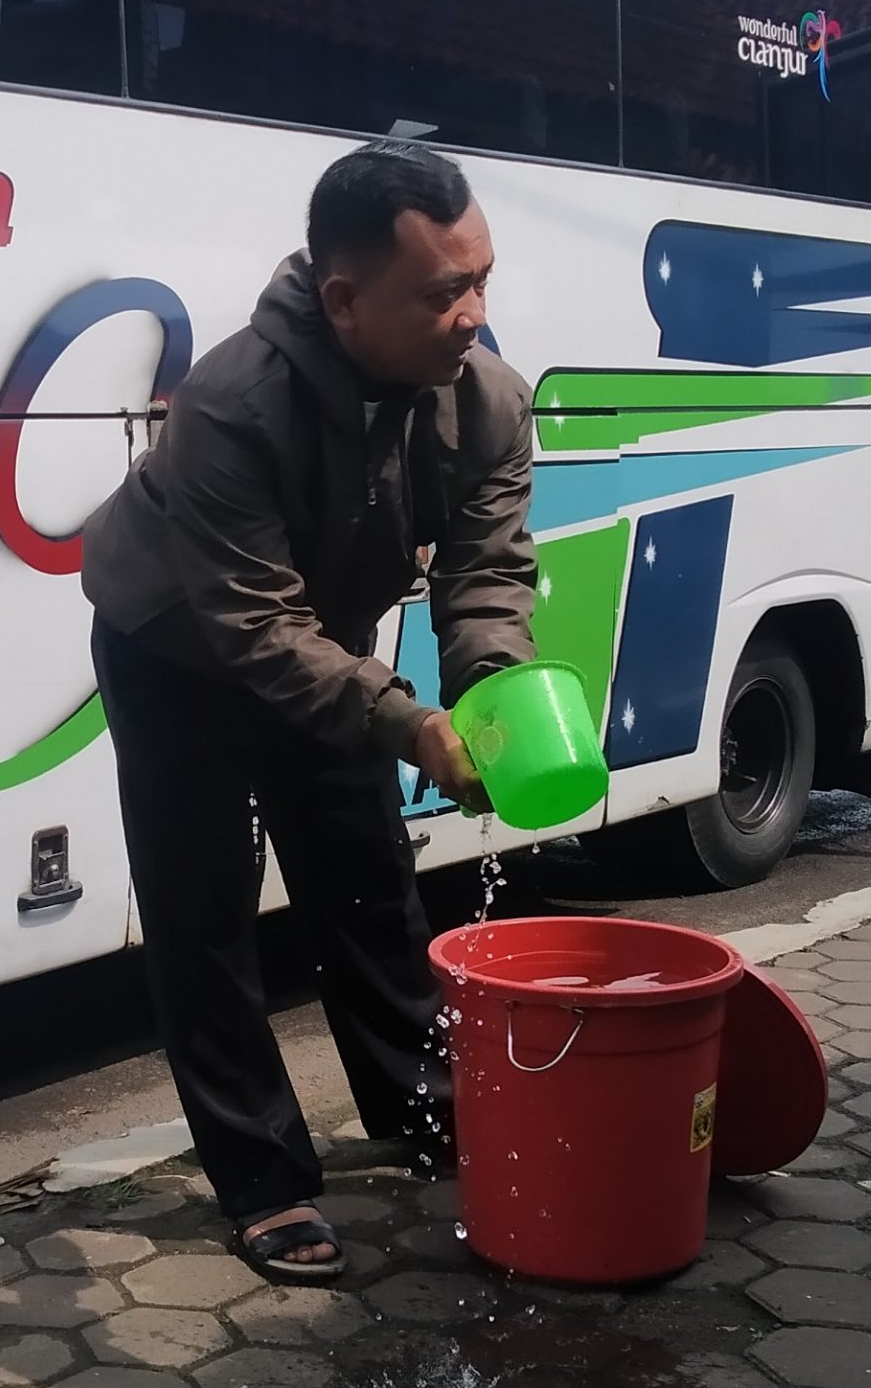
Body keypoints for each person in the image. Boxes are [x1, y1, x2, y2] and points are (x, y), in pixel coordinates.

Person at [79, 140, 540, 1283]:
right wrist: (406, 721)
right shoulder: (231, 404)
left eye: (482, 277)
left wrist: (483, 692)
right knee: (203, 913)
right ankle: (264, 1180)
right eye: (442, 290)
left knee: (369, 882)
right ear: (342, 298)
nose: (471, 312)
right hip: (177, 649)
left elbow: (484, 571)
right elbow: (253, 627)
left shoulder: (486, 398)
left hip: (323, 645)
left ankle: (422, 1114)